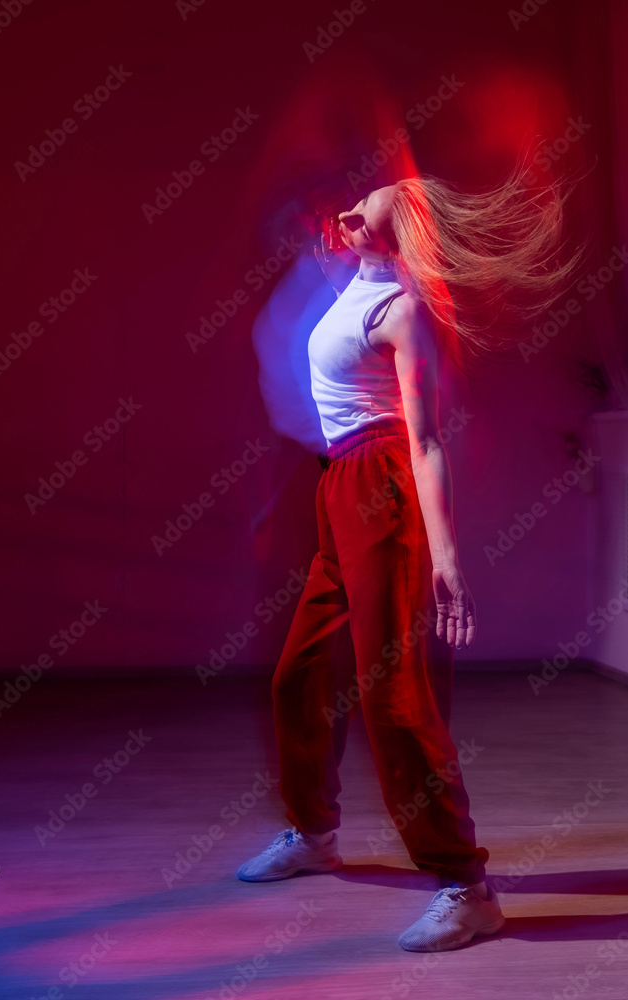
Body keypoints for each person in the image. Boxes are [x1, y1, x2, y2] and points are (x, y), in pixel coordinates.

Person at [235, 165, 581, 952]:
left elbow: (424, 441)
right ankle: (314, 833)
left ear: (394, 237)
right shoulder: (345, 282)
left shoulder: (400, 308)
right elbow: (305, 241)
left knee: (392, 695)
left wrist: (446, 556)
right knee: (299, 672)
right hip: (336, 491)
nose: (348, 214)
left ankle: (466, 885)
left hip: (380, 490)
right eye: (351, 208)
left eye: (365, 212)